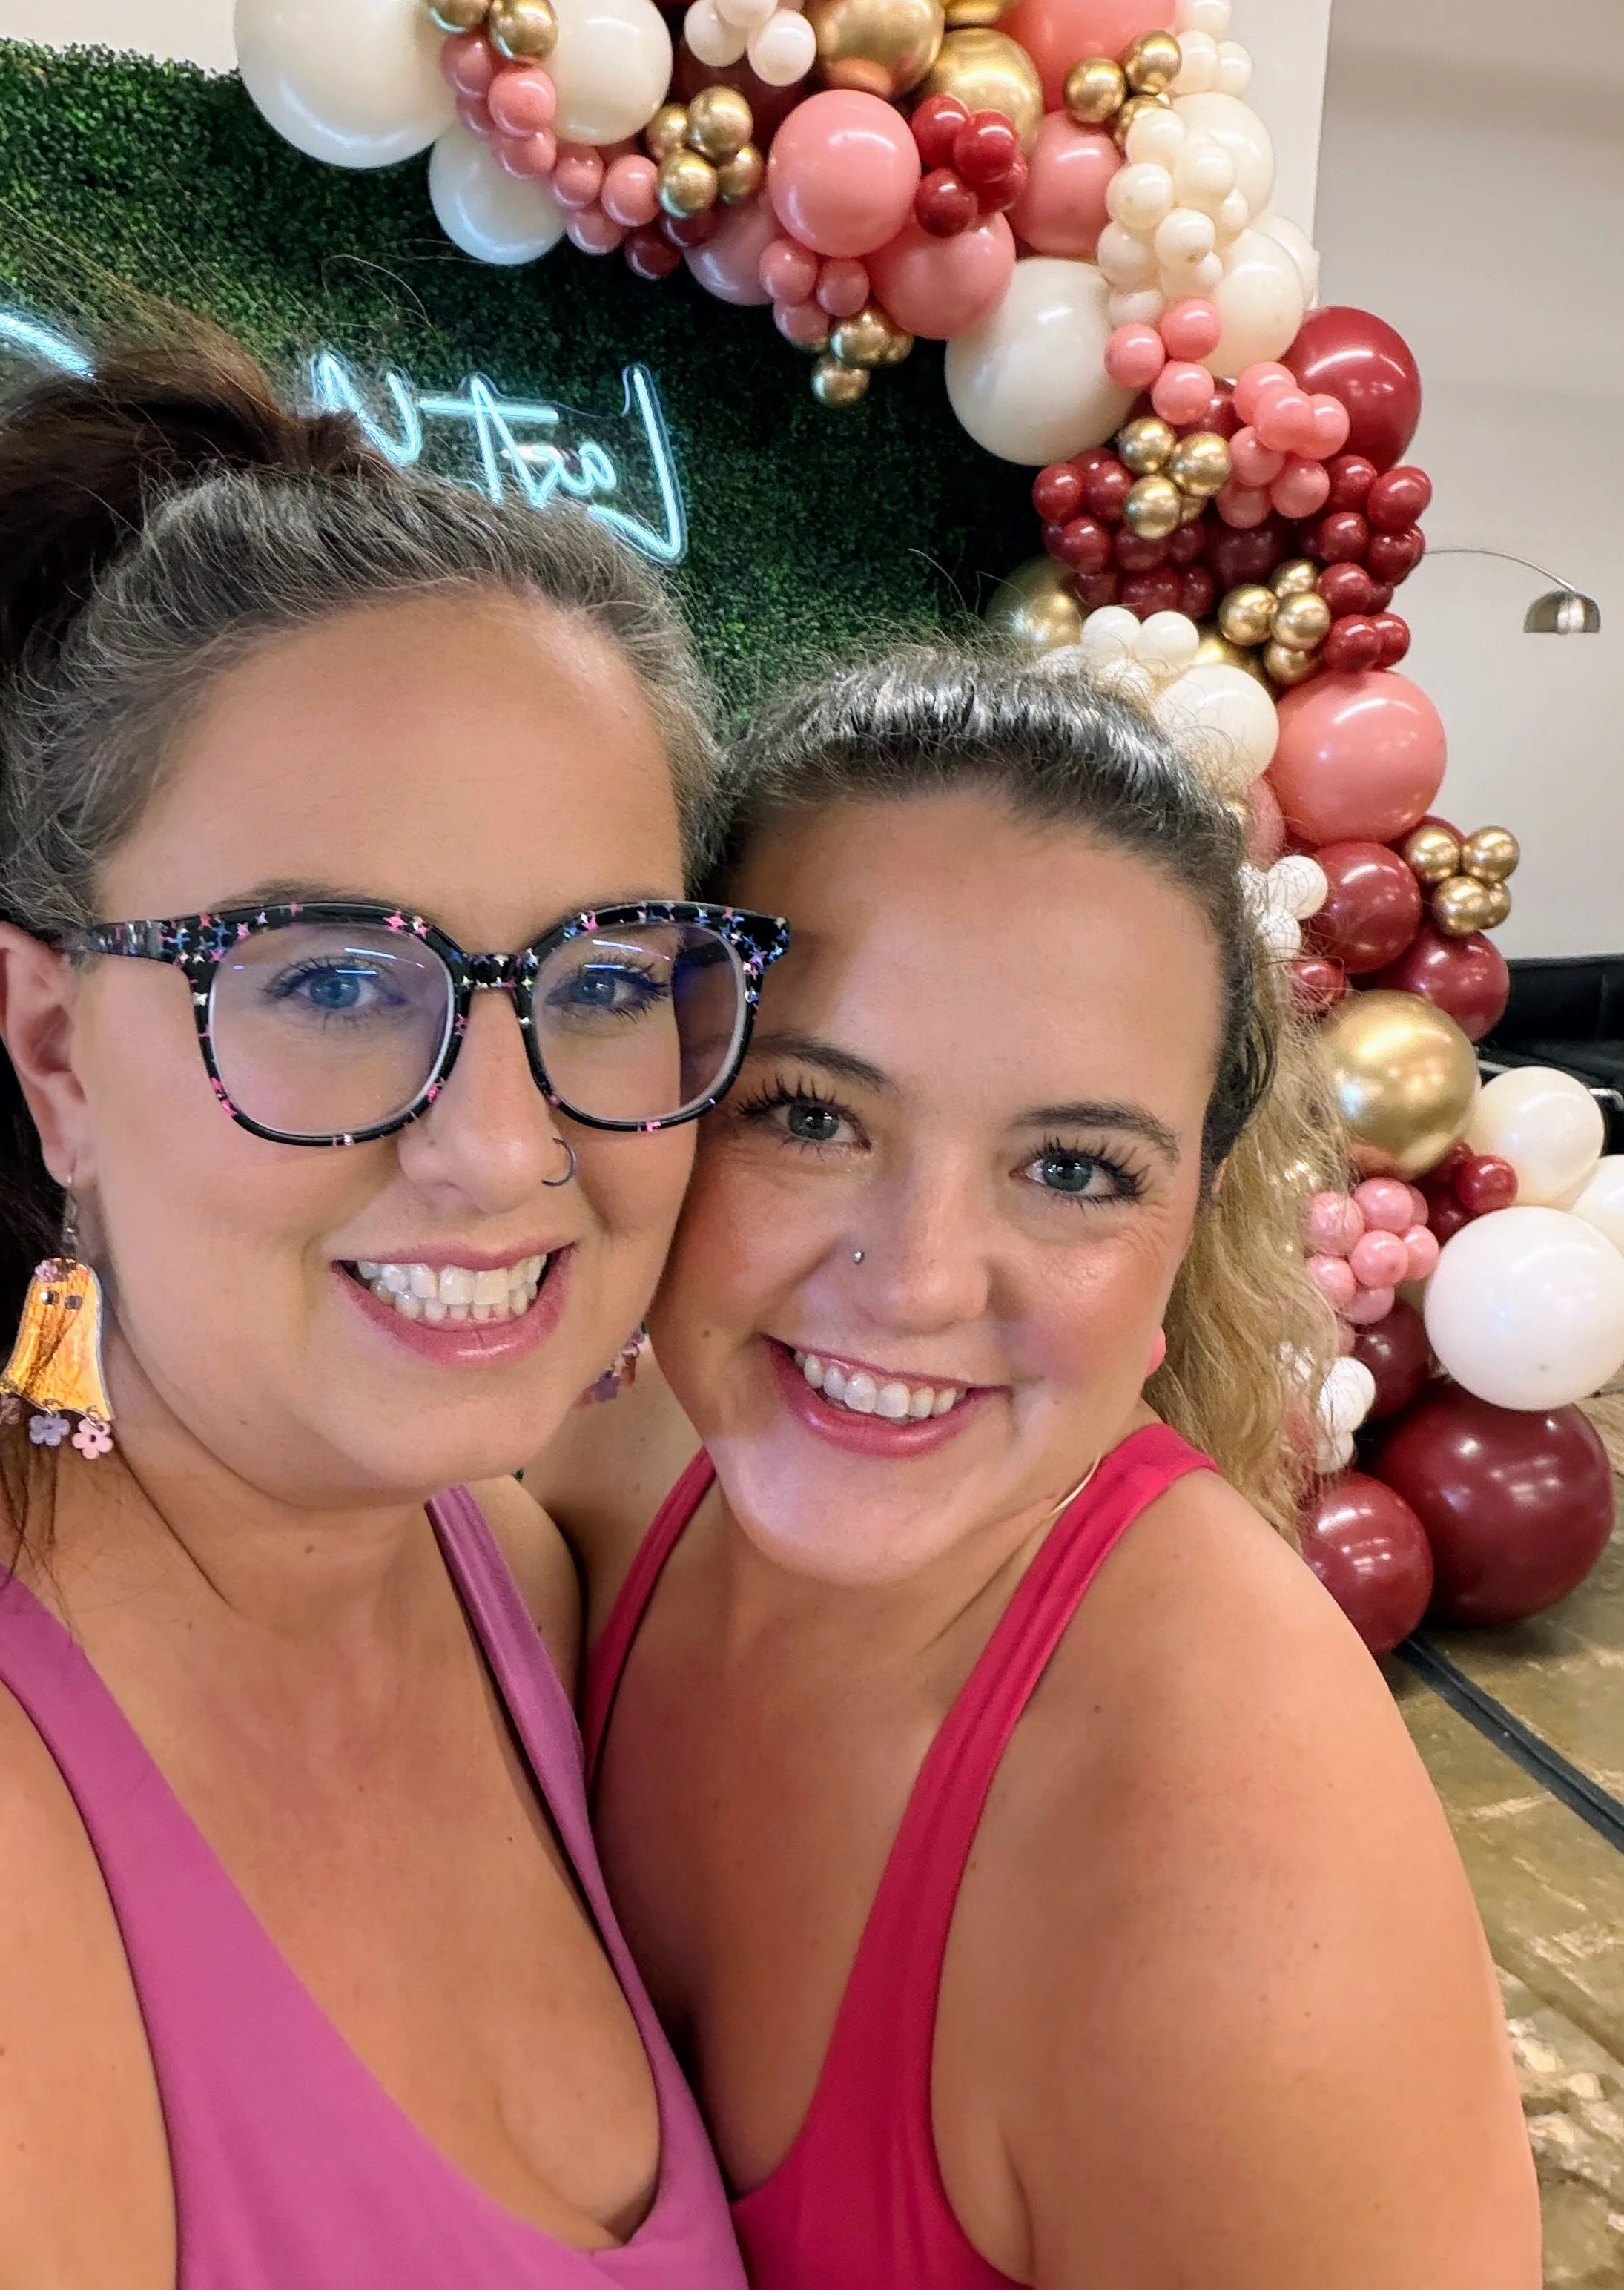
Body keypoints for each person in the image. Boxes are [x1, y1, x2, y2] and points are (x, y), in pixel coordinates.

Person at [0, 322, 780, 2288]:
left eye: (606, 974)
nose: (499, 1145)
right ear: (52, 1052)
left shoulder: (502, 1577)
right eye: (319, 979)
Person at [532, 651, 1542, 2290]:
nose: (922, 1278)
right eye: (810, 1113)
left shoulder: (1236, 1895)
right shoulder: (602, 1468)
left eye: (1073, 1167)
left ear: (1187, 1228)